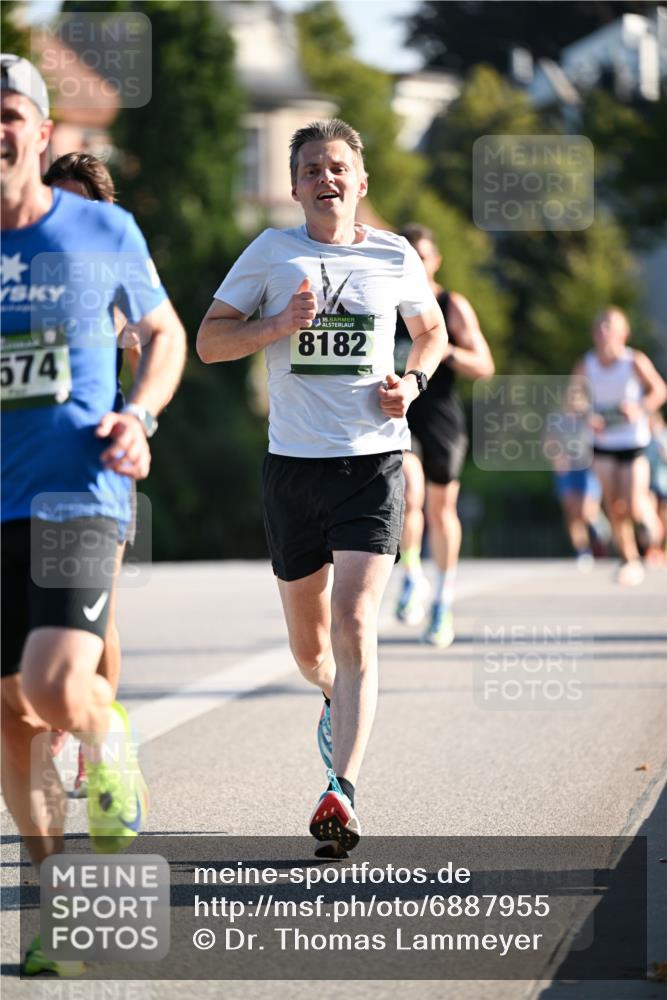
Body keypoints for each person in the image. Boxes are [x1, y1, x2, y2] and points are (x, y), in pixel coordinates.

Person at [197, 119, 446, 852]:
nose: (325, 179)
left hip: (372, 463)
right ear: (294, 184)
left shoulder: (393, 254)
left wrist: (413, 379)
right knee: (312, 653)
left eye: (338, 167)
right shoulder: (271, 253)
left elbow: (428, 331)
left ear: (360, 181)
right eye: (310, 169)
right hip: (293, 469)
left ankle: (342, 792)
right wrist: (276, 324)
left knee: (356, 624)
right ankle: (333, 700)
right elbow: (210, 342)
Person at [1, 54, 187, 974]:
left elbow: (165, 332)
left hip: (78, 486)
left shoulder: (99, 228)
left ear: (42, 133)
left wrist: (140, 413)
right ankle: (51, 916)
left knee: (51, 690)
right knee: (9, 714)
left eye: (8, 114)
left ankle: (108, 731)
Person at [42, 152, 141, 796]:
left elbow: (147, 342)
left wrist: (135, 420)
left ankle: (95, 734)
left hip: (98, 465)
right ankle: (65, 715)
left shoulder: (116, 268)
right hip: (25, 461)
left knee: (93, 611)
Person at [393, 224, 494, 646]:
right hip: (401, 414)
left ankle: (443, 600)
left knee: (440, 510)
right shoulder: (386, 303)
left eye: (424, 255)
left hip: (442, 421)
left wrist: (444, 349)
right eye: (410, 255)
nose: (418, 262)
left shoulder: (451, 305)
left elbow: (484, 365)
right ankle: (413, 574)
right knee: (408, 490)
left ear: (436, 261)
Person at [571, 307, 667, 586]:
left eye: (609, 326)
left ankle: (649, 518)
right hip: (603, 444)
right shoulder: (586, 364)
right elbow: (573, 400)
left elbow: (659, 390)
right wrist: (589, 416)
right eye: (599, 326)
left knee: (634, 503)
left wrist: (639, 408)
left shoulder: (634, 361)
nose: (603, 332)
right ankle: (630, 559)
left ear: (623, 333)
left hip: (633, 443)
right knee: (615, 505)